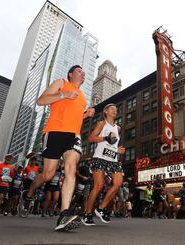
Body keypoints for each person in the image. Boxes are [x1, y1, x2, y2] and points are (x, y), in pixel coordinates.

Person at [21, 65, 95, 231]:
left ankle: (64, 215)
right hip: (54, 132)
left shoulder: (82, 97)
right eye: (79, 71)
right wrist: (64, 94)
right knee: (48, 174)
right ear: (70, 74)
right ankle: (28, 193)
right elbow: (41, 101)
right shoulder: (61, 83)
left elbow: (74, 118)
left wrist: (86, 115)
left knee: (70, 169)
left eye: (84, 72)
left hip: (73, 136)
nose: (83, 74)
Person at [83, 103, 125, 226]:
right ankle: (87, 214)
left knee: (118, 183)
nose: (115, 111)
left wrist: (118, 150)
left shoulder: (118, 128)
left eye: (116, 109)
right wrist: (105, 138)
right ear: (106, 111)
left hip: (112, 159)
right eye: (112, 109)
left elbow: (113, 145)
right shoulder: (102, 124)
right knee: (99, 185)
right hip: (100, 158)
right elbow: (91, 138)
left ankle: (101, 208)